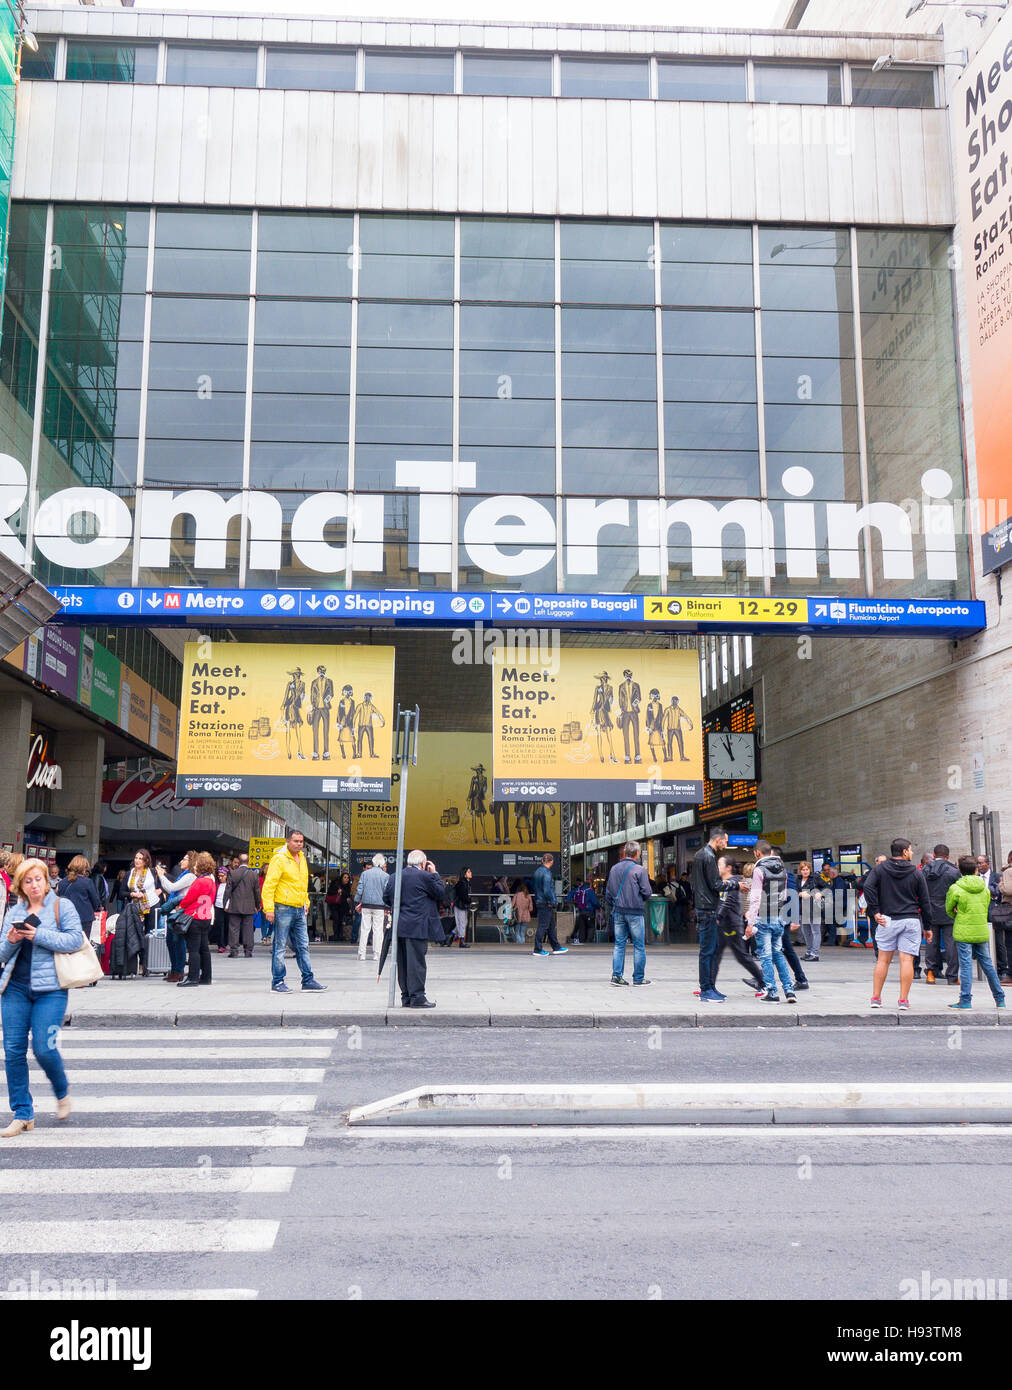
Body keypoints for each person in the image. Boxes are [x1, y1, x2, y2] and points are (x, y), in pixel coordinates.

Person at [1, 857, 84, 1136]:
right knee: (13, 1051)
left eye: (38, 879)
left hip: (51, 990)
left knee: (44, 1048)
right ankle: (23, 1113)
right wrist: (12, 941)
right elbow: (1, 953)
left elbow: (74, 939)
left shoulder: (62, 906)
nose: (34, 884)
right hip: (15, 989)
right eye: (28, 881)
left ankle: (61, 1090)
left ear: (46, 881)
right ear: (20, 886)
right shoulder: (15, 910)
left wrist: (38, 935)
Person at [863, 837, 933, 1011]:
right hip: (910, 920)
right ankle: (903, 1000)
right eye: (910, 849)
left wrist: (875, 911)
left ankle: (876, 998)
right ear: (904, 852)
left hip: (887, 919)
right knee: (907, 960)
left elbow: (868, 888)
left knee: (883, 960)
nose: (912, 852)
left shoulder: (879, 869)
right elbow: (925, 901)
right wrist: (928, 926)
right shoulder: (916, 873)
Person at [262, 829, 327, 994]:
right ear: (288, 841)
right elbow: (269, 885)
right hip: (283, 907)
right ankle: (277, 982)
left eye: (301, 841)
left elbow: (303, 883)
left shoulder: (302, 858)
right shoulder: (279, 859)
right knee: (280, 946)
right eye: (296, 841)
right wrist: (269, 909)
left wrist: (305, 901)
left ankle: (308, 980)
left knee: (303, 945)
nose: (299, 844)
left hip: (299, 908)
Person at [383, 850, 445, 1007]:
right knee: (416, 963)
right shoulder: (425, 877)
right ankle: (417, 997)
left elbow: (386, 897)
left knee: (402, 963)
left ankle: (406, 997)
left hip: (399, 927)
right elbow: (440, 892)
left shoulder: (394, 876)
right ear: (423, 863)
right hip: (417, 927)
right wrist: (435, 873)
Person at [944, 854, 1006, 1011]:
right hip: (980, 929)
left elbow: (949, 909)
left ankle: (965, 1000)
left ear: (960, 871)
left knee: (965, 966)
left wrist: (958, 914)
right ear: (976, 870)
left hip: (963, 930)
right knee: (988, 964)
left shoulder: (956, 888)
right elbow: (985, 907)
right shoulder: (984, 889)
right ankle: (1000, 999)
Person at [745, 840, 797, 1003]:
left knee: (766, 956)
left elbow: (755, 898)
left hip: (763, 917)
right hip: (778, 916)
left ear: (757, 853)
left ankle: (772, 992)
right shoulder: (783, 870)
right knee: (778, 954)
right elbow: (784, 893)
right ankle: (789, 990)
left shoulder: (759, 870)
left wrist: (750, 923)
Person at [714, 856, 765, 995]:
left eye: (719, 864)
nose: (717, 867)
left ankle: (763, 981)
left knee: (742, 957)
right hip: (725, 925)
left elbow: (729, 901)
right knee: (716, 955)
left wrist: (718, 917)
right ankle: (708, 986)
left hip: (732, 925)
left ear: (728, 868)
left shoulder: (735, 882)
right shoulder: (725, 882)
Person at [605, 842, 652, 986]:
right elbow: (647, 892)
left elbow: (608, 892)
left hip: (618, 911)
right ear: (637, 853)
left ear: (625, 853)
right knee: (639, 945)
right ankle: (638, 978)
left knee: (619, 944)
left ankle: (616, 976)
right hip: (635, 912)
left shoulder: (614, 869)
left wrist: (614, 904)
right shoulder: (639, 870)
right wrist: (639, 900)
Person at [691, 826, 727, 1001]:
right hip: (708, 908)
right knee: (708, 950)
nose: (726, 844)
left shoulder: (699, 854)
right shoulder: (709, 856)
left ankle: (710, 986)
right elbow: (716, 884)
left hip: (703, 906)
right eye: (725, 841)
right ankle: (706, 989)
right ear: (717, 839)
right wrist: (735, 885)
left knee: (710, 950)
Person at [176, 851, 217, 988]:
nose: (194, 867)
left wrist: (180, 906)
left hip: (194, 917)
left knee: (193, 950)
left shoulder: (199, 882)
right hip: (206, 918)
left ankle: (192, 977)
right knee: (204, 948)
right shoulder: (211, 882)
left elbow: (188, 899)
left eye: (196, 865)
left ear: (201, 867)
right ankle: (206, 977)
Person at [922, 844, 960, 985]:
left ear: (934, 854)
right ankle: (952, 976)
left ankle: (930, 973)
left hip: (930, 911)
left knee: (931, 943)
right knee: (951, 944)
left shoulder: (925, 870)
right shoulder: (953, 871)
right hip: (949, 911)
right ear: (948, 856)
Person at [156, 853, 197, 983]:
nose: (181, 861)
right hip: (176, 910)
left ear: (191, 861)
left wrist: (162, 876)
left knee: (176, 942)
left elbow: (171, 887)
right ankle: (174, 970)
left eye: (185, 859)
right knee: (171, 941)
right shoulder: (183, 875)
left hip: (180, 911)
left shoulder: (190, 876)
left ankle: (178, 970)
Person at [57, 857, 101, 944]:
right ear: (84, 868)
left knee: (68, 943)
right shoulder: (87, 882)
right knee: (83, 944)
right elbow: (95, 902)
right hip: (85, 918)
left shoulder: (62, 883)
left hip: (66, 918)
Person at [225, 853, 261, 959]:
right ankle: (248, 951)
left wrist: (225, 903)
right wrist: (257, 905)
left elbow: (228, 890)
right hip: (249, 906)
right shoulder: (254, 874)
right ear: (248, 862)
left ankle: (234, 951)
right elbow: (257, 892)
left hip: (234, 905)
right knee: (248, 929)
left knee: (233, 928)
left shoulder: (232, 873)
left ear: (239, 862)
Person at [355, 853, 389, 963]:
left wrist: (358, 901)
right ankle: (376, 954)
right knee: (378, 930)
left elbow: (360, 889)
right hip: (379, 906)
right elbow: (386, 893)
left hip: (366, 905)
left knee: (364, 929)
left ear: (373, 862)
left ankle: (362, 953)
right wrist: (388, 906)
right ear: (382, 863)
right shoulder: (385, 876)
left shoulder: (365, 874)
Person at [532, 853, 567, 957]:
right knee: (543, 926)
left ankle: (556, 947)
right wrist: (553, 901)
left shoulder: (537, 872)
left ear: (543, 861)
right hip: (546, 903)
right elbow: (547, 890)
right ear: (551, 861)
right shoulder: (547, 873)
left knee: (551, 925)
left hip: (539, 900)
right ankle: (537, 949)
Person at [796, 861, 825, 962]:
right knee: (806, 931)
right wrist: (800, 894)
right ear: (800, 871)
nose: (805, 871)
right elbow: (795, 891)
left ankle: (815, 953)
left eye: (807, 869)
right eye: (803, 870)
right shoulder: (798, 879)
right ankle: (808, 952)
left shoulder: (815, 878)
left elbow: (827, 887)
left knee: (815, 931)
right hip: (803, 908)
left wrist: (819, 893)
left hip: (814, 907)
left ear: (810, 870)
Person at [992, 851, 1012, 984]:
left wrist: (1000, 884)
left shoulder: (1008, 871)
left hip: (1010, 908)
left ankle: (1010, 974)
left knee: (1009, 944)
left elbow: (1009, 890)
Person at [567, 878, 598, 944]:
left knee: (582, 927)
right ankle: (589, 942)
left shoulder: (576, 890)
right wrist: (598, 907)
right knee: (591, 927)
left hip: (579, 911)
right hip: (589, 911)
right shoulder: (590, 891)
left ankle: (582, 941)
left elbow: (568, 898)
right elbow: (595, 903)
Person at [451, 867, 473, 949]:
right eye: (468, 872)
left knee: (463, 922)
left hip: (462, 905)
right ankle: (461, 941)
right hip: (460, 905)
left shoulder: (466, 882)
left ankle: (451, 935)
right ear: (464, 874)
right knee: (462, 923)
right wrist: (469, 901)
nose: (470, 873)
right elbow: (463, 896)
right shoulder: (462, 883)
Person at [211, 865, 230, 952]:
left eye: (222, 876)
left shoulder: (229, 885)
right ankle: (221, 945)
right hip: (218, 907)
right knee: (219, 926)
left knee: (226, 926)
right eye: (219, 876)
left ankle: (225, 943)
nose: (220, 878)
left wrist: (227, 905)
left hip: (227, 907)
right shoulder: (216, 885)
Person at [511, 879, 533, 945]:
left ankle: (519, 943)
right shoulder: (528, 896)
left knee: (517, 930)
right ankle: (522, 943)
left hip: (517, 915)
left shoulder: (517, 895)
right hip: (526, 915)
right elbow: (531, 908)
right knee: (523, 931)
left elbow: (512, 905)